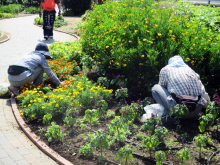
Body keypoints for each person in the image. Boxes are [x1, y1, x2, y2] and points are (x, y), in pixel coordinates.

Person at [151, 55, 210, 120]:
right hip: (195, 111)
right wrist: (209, 108)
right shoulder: (191, 71)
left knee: (155, 87)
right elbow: (203, 93)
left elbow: (162, 87)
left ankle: (168, 115)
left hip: (177, 111)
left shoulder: (166, 69)